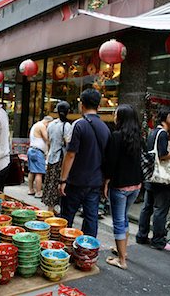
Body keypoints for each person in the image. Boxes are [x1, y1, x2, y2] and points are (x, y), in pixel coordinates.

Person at [136, 105, 170, 251]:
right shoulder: (162, 134)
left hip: (152, 176)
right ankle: (158, 240)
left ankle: (141, 235)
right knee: (160, 209)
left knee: (147, 207)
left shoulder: (154, 132)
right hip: (162, 179)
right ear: (165, 116)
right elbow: (163, 155)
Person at [58, 88, 111, 237]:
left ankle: (64, 249)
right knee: (91, 217)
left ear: (82, 105)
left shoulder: (79, 125)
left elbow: (70, 155)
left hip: (75, 180)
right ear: (98, 106)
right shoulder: (106, 129)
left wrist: (62, 180)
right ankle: (87, 252)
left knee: (67, 217)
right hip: (95, 182)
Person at [103, 104, 142, 270]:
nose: (114, 116)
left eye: (115, 114)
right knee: (124, 218)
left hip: (119, 185)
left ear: (121, 117)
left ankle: (121, 260)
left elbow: (110, 163)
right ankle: (123, 251)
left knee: (119, 221)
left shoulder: (116, 136)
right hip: (136, 185)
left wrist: (105, 182)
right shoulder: (138, 136)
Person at [43, 102, 72, 213]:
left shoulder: (51, 124)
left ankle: (50, 209)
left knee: (50, 182)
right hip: (60, 159)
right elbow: (68, 144)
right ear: (68, 112)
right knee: (57, 184)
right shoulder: (67, 126)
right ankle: (51, 211)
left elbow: (48, 140)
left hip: (51, 156)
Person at [27, 116, 53, 198]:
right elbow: (47, 139)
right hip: (37, 151)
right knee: (39, 173)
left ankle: (31, 190)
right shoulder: (41, 126)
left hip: (32, 150)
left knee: (32, 171)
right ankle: (38, 192)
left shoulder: (35, 125)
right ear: (47, 122)